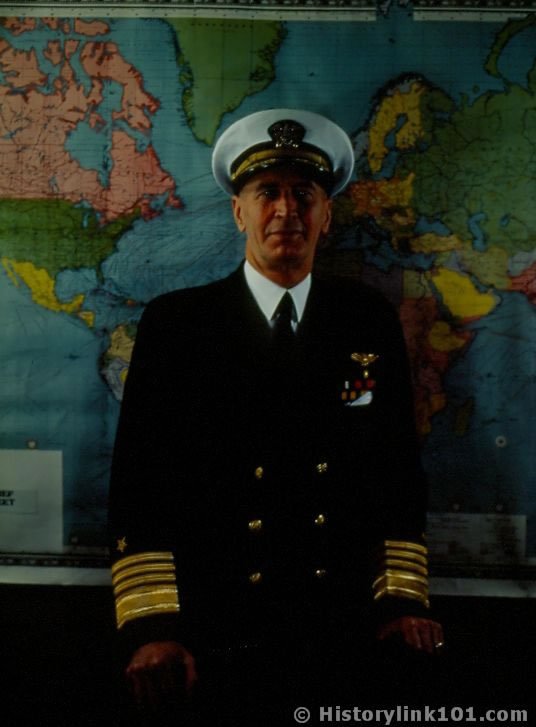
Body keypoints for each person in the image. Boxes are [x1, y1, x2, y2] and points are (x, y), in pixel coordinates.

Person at [108, 108, 444, 724]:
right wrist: (153, 628)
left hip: (339, 626)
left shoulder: (365, 320)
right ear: (239, 212)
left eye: (303, 194)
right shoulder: (178, 325)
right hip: (214, 627)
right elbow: (140, 484)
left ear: (327, 214)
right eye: (267, 193)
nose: (287, 210)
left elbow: (394, 467)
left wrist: (401, 600)